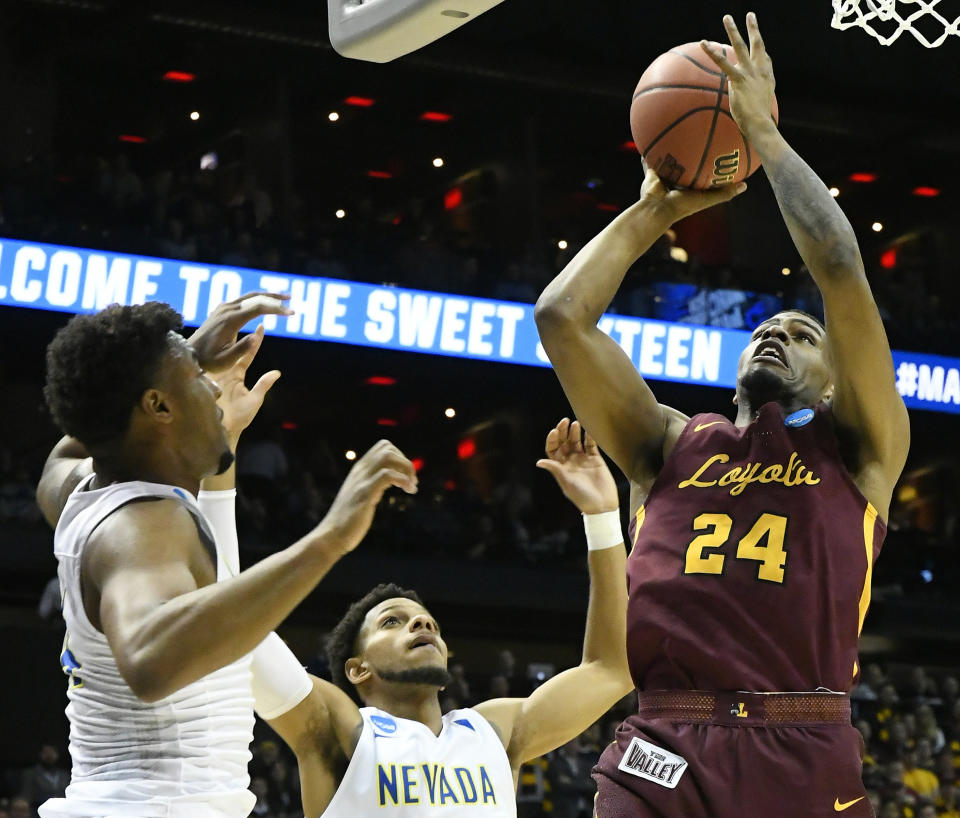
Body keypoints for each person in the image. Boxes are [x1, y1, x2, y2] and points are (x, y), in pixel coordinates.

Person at [534, 13, 909, 818]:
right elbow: (562, 317)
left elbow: (840, 266)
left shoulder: (863, 452)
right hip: (665, 745)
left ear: (837, 383)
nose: (775, 329)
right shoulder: (668, 441)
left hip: (801, 742)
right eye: (765, 328)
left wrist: (763, 137)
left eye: (803, 334)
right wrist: (657, 211)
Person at [35, 293, 418, 817]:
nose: (213, 385)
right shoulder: (147, 523)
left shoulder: (78, 487)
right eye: (195, 377)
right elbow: (149, 660)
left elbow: (69, 448)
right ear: (158, 406)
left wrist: (183, 356)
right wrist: (329, 538)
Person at [202, 412, 632, 816]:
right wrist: (219, 445)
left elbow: (611, 669)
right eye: (392, 621)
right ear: (357, 669)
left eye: (428, 621)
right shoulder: (340, 730)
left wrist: (601, 516)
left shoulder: (493, 731)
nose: (422, 623)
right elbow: (221, 614)